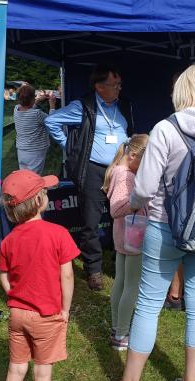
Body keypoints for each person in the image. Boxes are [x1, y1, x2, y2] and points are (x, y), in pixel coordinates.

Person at [107, 63, 195, 381]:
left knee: (148, 304)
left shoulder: (165, 129)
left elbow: (143, 189)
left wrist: (130, 206)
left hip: (164, 227)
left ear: (180, 92)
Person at [45, 63, 135, 291]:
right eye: (113, 85)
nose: (118, 89)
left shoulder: (124, 105)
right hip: (93, 171)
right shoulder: (83, 106)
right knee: (91, 221)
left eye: (119, 84)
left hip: (119, 170)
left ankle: (120, 263)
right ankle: (93, 269)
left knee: (121, 217)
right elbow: (51, 121)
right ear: (99, 86)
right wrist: (71, 148)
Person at [0, 170, 79, 381]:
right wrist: (65, 310)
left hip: (17, 314)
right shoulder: (59, 233)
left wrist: (13, 295)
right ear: (38, 200)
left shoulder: (8, 240)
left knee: (16, 367)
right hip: (47, 315)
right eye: (45, 192)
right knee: (42, 373)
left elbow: (4, 276)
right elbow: (68, 275)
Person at [101, 134, 149, 351]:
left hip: (124, 236)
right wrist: (140, 201)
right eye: (145, 161)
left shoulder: (122, 172)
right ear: (132, 156)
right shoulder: (126, 176)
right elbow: (116, 209)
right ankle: (121, 333)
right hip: (132, 236)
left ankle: (116, 327)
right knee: (132, 286)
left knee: (121, 282)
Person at [14, 84, 56, 174]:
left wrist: (37, 101)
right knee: (34, 179)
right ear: (33, 98)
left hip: (21, 150)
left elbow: (27, 108)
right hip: (35, 152)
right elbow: (52, 122)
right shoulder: (37, 114)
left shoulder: (16, 109)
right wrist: (52, 105)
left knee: (24, 176)